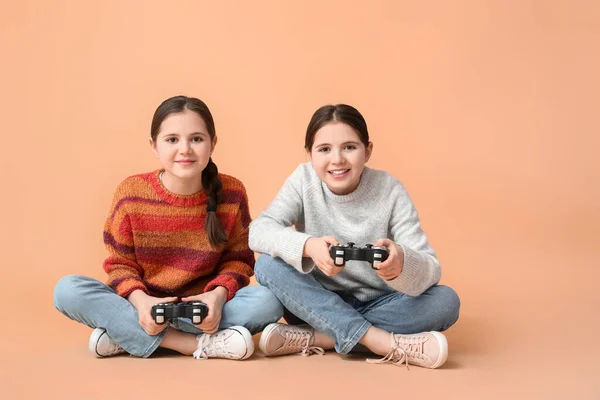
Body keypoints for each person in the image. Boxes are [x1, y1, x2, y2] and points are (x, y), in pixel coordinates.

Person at [54, 95, 283, 360]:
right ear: (154, 146)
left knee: (268, 301)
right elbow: (120, 264)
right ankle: (192, 345)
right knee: (67, 289)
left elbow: (239, 261)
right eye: (172, 140)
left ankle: (126, 335)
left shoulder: (232, 192)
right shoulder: (131, 192)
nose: (185, 149)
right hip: (143, 304)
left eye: (196, 139)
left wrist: (217, 299)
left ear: (213, 144)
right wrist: (141, 303)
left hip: (202, 309)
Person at [249, 104, 460, 369]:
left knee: (446, 302)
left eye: (349, 147)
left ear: (368, 151)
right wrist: (309, 246)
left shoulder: (389, 190)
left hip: (375, 302)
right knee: (266, 264)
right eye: (324, 149)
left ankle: (321, 336)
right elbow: (258, 231)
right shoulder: (303, 180)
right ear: (309, 155)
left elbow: (431, 269)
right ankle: (379, 341)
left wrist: (401, 263)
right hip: (315, 297)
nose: (337, 159)